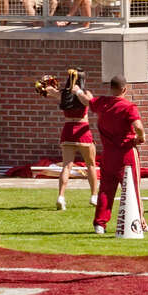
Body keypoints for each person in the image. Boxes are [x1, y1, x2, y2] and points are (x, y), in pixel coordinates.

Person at [73, 75, 148, 234]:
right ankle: (139, 223)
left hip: (108, 154)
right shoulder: (129, 107)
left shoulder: (103, 103)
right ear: (124, 89)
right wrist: (141, 138)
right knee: (132, 189)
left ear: (111, 88)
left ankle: (100, 224)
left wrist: (77, 91)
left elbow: (87, 100)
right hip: (126, 153)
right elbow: (138, 126)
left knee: (105, 190)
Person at [43, 69, 99, 210]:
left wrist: (45, 84)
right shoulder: (85, 93)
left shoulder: (63, 94)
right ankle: (94, 196)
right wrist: (78, 92)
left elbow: (46, 88)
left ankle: (61, 197)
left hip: (68, 130)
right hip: (82, 130)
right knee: (90, 165)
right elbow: (90, 103)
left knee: (66, 166)